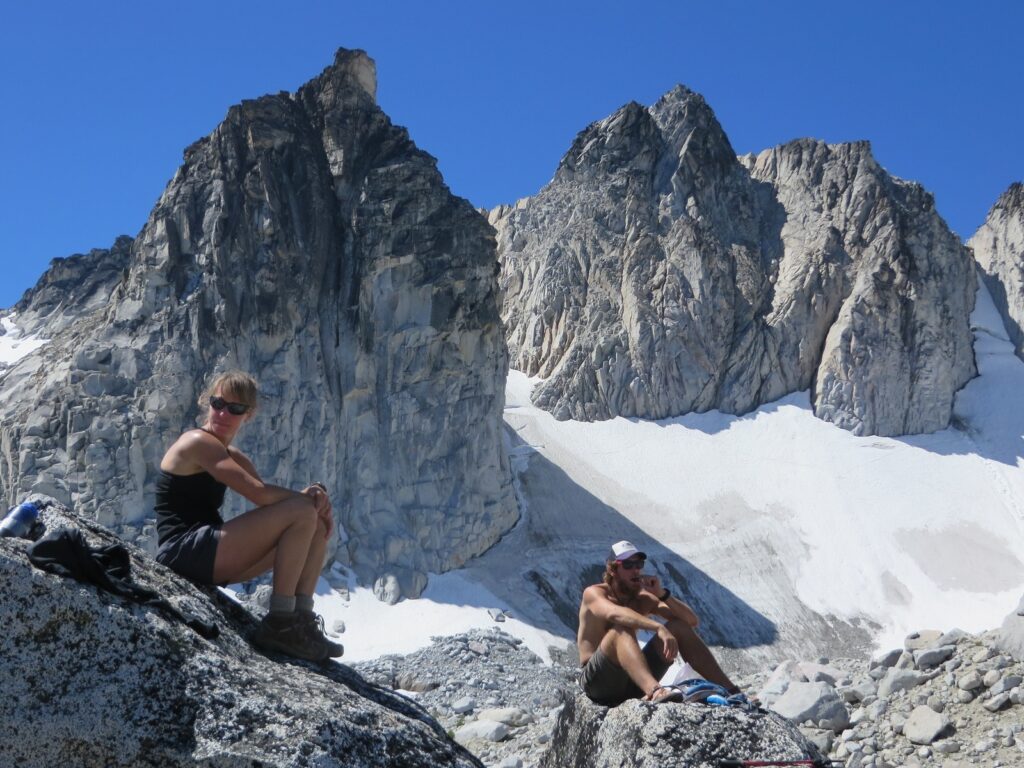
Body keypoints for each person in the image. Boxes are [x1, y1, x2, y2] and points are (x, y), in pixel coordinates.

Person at [154, 370, 342, 662]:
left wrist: (313, 499)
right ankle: (280, 622)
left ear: (248, 414)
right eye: (218, 403)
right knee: (304, 511)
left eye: (235, 408)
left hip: (210, 555)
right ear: (208, 402)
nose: (222, 413)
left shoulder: (234, 456)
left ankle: (301, 622)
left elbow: (272, 507)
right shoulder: (197, 441)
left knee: (313, 524)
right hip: (182, 551)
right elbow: (260, 494)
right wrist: (311, 498)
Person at [577, 540, 747, 705]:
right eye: (628, 565)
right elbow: (615, 614)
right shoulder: (594, 593)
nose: (635, 570)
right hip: (598, 683)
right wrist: (657, 627)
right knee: (621, 629)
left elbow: (691, 621)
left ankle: (733, 693)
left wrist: (661, 593)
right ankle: (655, 691)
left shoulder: (641, 599)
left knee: (678, 627)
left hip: (632, 681)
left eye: (639, 564)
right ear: (612, 569)